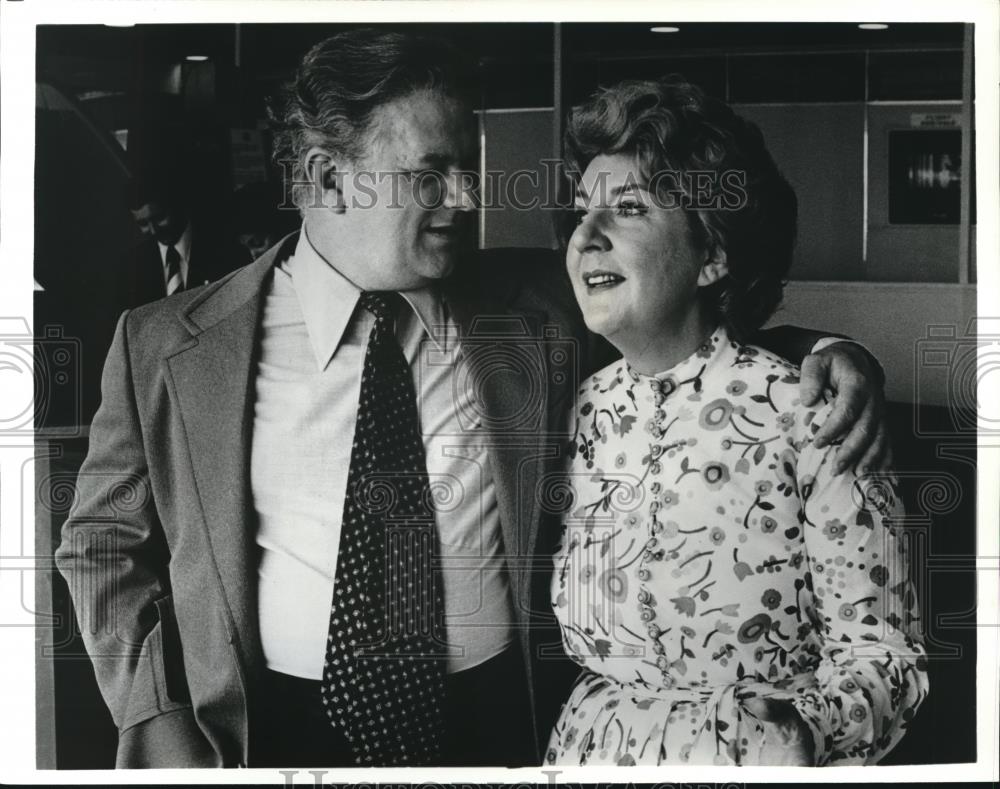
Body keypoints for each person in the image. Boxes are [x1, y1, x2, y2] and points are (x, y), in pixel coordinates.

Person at [56, 29, 890, 769]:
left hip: (502, 723)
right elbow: (99, 546)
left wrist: (827, 352)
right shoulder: (167, 345)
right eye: (431, 174)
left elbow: (688, 324)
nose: (465, 198)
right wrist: (155, 713)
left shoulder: (534, 307)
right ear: (326, 177)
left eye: (468, 168)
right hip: (267, 730)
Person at [546, 77, 928, 767]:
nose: (586, 238)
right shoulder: (580, 409)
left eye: (627, 209)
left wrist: (806, 731)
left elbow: (885, 653)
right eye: (581, 214)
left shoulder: (814, 411)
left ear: (713, 254)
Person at [117, 165, 249, 307]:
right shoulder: (132, 265)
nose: (153, 230)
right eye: (143, 223)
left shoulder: (225, 247)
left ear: (177, 205)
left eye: (160, 218)